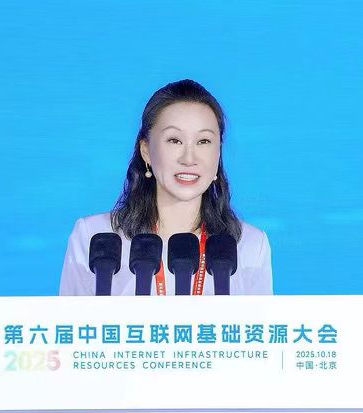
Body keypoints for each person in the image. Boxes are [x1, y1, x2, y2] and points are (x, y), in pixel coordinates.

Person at [59, 79, 272, 296]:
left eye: (204, 141)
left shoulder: (251, 245)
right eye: (174, 140)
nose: (189, 158)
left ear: (218, 153)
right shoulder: (95, 237)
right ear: (146, 150)